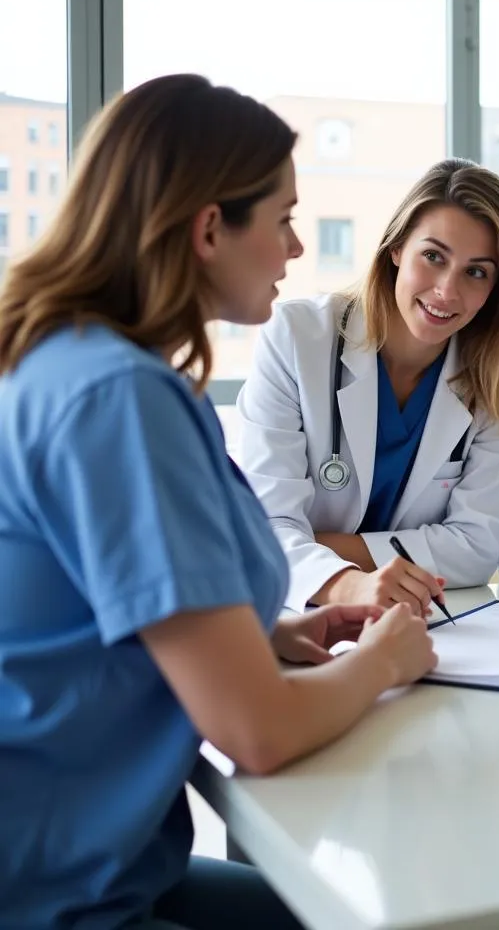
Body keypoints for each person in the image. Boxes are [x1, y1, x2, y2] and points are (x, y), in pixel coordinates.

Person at [0, 74, 437, 930]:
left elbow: (95, 610)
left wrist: (269, 637)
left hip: (99, 859)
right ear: (209, 229)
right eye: (281, 220)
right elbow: (257, 733)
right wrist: (384, 660)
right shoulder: (116, 399)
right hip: (53, 894)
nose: (296, 248)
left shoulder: (86, 364)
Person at [236, 159, 499, 614]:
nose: (446, 291)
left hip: (426, 616)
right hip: (298, 611)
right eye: (433, 256)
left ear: (497, 285)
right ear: (396, 248)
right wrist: (346, 584)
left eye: (476, 272)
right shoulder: (299, 338)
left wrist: (319, 547)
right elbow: (267, 530)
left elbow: (478, 548)